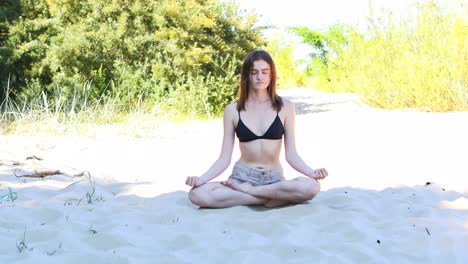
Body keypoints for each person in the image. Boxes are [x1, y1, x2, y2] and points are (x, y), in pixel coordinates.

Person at [185, 50, 328, 208]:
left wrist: (311, 172)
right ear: (247, 75)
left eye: (265, 72)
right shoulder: (232, 110)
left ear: (271, 75)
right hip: (241, 178)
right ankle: (269, 197)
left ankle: (251, 193)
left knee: (312, 186)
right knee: (197, 194)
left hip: (274, 179)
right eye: (254, 72)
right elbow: (224, 158)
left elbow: (291, 155)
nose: (260, 77)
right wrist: (202, 179)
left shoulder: (287, 107)